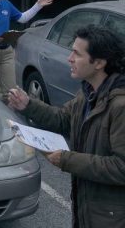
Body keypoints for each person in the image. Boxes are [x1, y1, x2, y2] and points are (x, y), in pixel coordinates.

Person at [7, 24, 125, 228]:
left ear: (98, 63)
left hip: (112, 215)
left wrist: (67, 159)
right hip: (88, 207)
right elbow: (63, 119)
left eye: (77, 54)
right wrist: (28, 105)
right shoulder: (88, 93)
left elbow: (121, 167)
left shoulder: (120, 106)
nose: (69, 58)